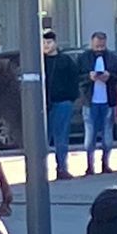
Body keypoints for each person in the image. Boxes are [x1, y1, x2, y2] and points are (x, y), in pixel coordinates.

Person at [78, 31, 117, 175]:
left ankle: (105, 163)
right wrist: (88, 77)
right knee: (90, 135)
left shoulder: (114, 58)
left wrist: (109, 77)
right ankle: (89, 165)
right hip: (89, 101)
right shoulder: (83, 58)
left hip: (108, 101)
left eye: (102, 46)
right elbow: (77, 77)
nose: (99, 48)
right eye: (97, 45)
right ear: (92, 43)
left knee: (107, 134)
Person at [43, 30, 78, 180]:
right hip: (43, 105)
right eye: (44, 43)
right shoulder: (38, 61)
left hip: (62, 102)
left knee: (61, 138)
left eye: (49, 42)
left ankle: (62, 168)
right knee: (43, 138)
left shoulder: (65, 60)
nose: (46, 45)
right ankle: (42, 170)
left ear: (55, 43)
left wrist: (71, 98)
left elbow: (74, 79)